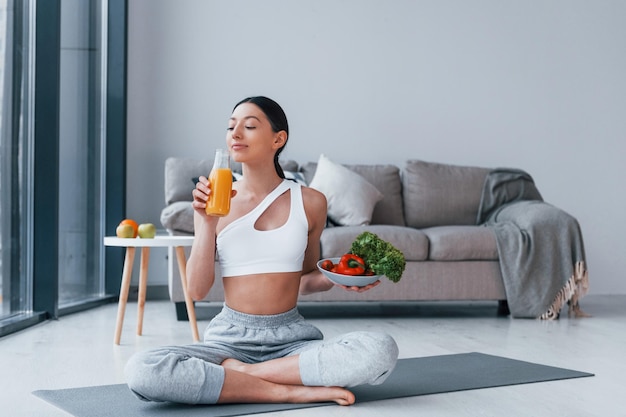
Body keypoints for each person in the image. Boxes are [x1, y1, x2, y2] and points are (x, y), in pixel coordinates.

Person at [124, 96, 399, 406]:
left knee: (380, 350)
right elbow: (198, 291)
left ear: (278, 139)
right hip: (228, 342)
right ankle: (284, 389)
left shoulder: (310, 202)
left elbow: (305, 278)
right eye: (231, 127)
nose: (235, 134)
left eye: (250, 126)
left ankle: (244, 376)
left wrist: (334, 277)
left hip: (291, 341)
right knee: (141, 370)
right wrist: (205, 222)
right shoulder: (215, 200)